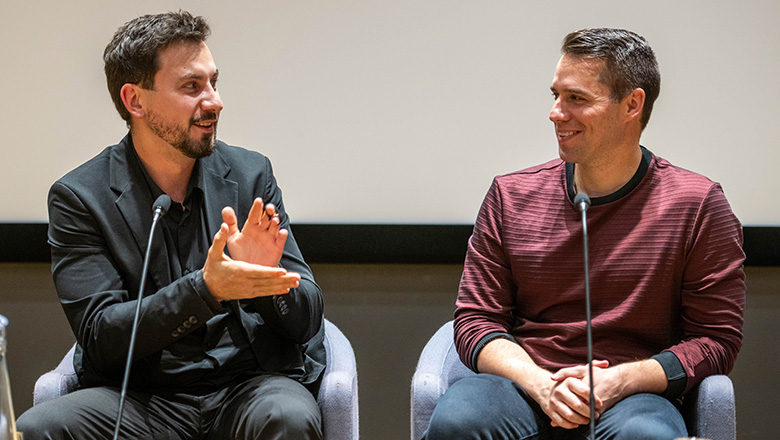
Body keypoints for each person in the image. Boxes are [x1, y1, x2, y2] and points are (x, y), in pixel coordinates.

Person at [423, 28, 745, 439]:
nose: (556, 112)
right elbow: (476, 320)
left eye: (576, 98)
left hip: (633, 394)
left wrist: (621, 381)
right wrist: (541, 384)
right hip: (523, 384)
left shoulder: (697, 205)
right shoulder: (511, 195)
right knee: (459, 422)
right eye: (555, 96)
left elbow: (715, 340)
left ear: (632, 104)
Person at [17, 11, 324, 440]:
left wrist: (271, 282)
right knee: (40, 427)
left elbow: (307, 319)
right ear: (135, 101)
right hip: (145, 399)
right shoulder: (80, 198)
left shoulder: (251, 175)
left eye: (214, 82)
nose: (214, 101)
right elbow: (101, 336)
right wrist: (207, 289)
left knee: (289, 416)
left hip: (247, 388)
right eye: (191, 87)